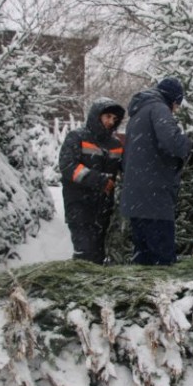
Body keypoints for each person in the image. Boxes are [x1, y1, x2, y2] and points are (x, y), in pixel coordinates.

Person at [120, 77, 192, 265]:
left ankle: (144, 293)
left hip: (137, 198)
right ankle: (163, 293)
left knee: (143, 256)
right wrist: (189, 142)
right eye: (177, 105)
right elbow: (172, 142)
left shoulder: (138, 113)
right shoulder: (159, 108)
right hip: (154, 198)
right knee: (162, 259)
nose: (175, 110)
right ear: (173, 100)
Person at [59, 97, 125, 264]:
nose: (111, 121)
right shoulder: (77, 137)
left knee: (98, 254)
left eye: (114, 119)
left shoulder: (115, 144)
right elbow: (68, 167)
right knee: (84, 254)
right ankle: (78, 286)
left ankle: (94, 288)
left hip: (103, 208)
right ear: (97, 116)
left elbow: (124, 167)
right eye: (107, 116)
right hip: (79, 205)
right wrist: (99, 180)